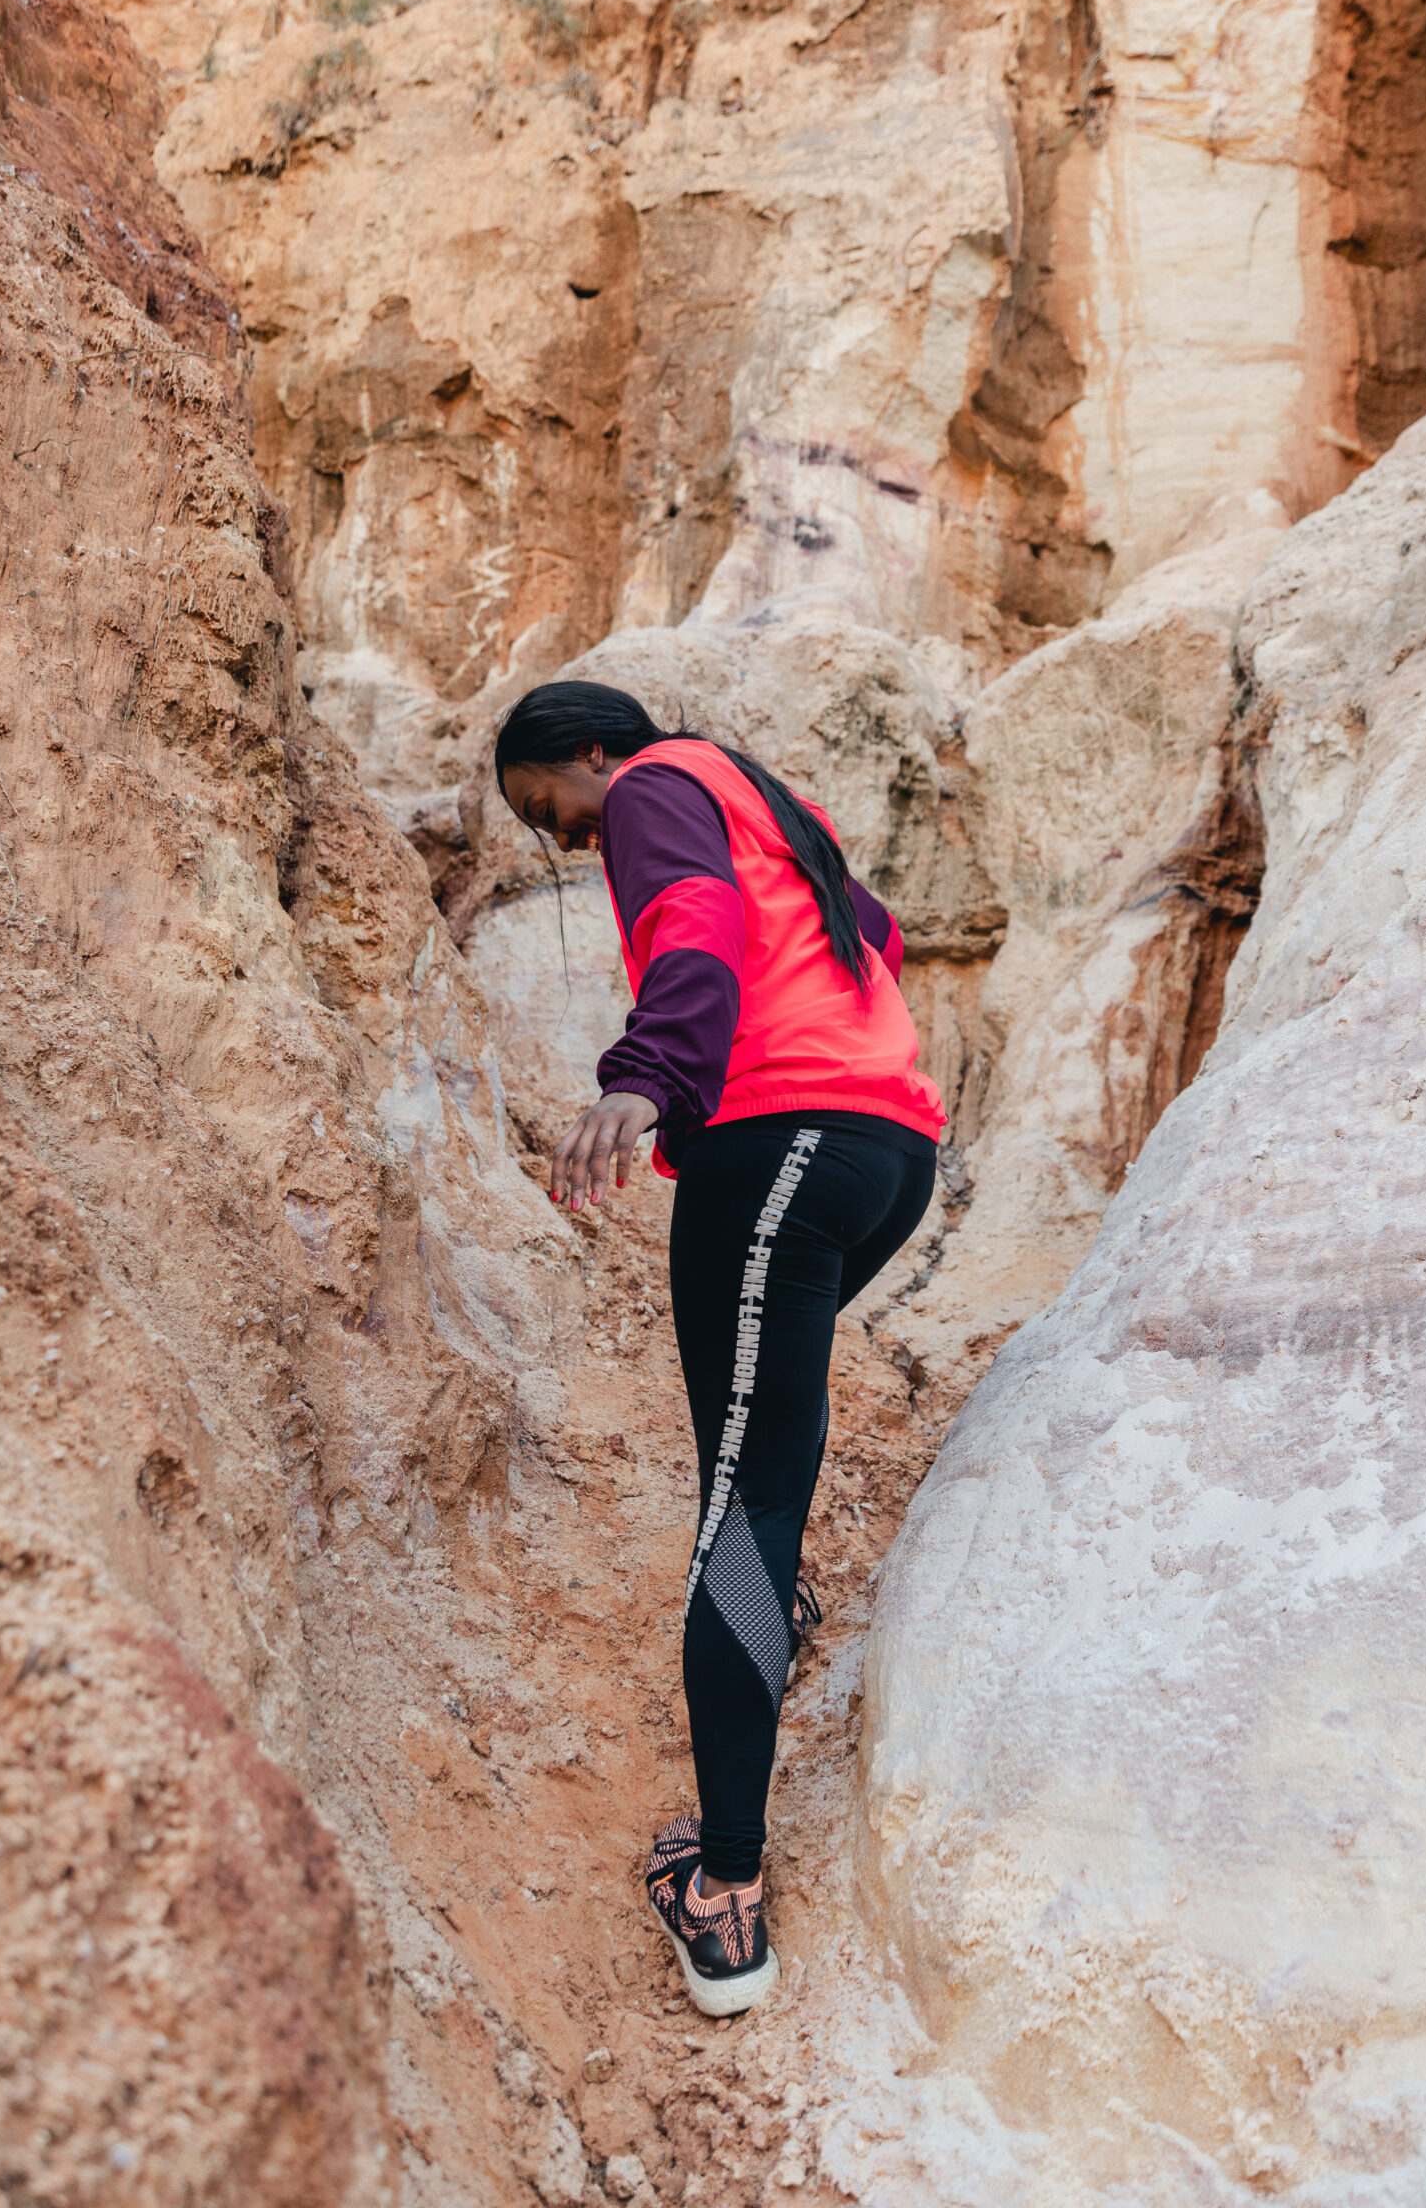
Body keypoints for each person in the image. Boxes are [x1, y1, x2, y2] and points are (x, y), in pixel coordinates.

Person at [495, 680, 944, 2017]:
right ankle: (778, 1609)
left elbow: (695, 930)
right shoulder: (771, 803)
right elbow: (874, 934)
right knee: (755, 1441)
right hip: (889, 1152)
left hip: (778, 1142)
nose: (576, 842)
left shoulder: (649, 788)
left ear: (587, 756)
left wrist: (645, 1080)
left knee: (738, 1514)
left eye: (552, 815)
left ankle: (727, 1898)